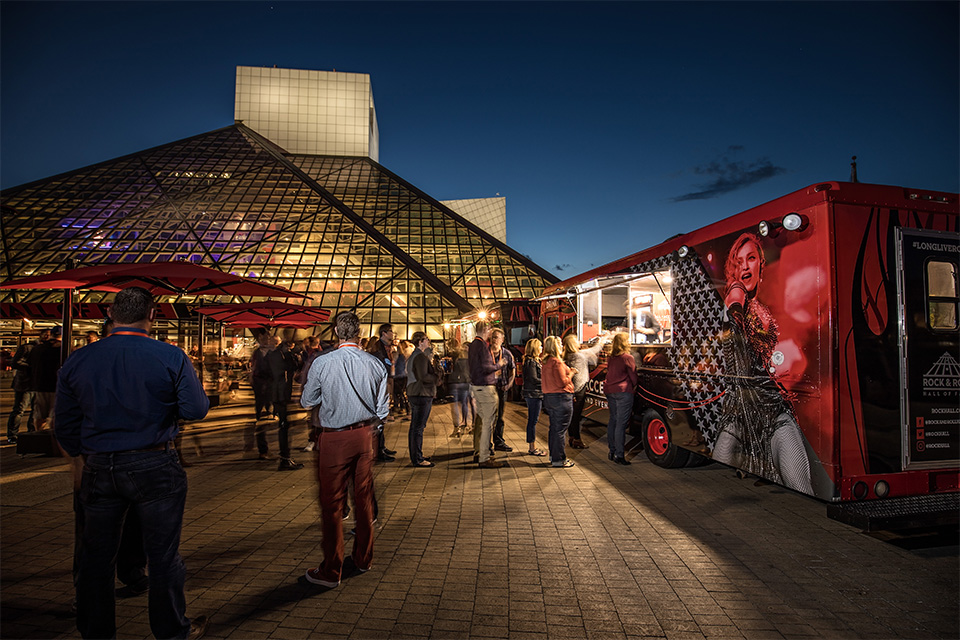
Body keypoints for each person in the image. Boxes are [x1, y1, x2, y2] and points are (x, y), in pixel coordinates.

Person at [54, 286, 209, 639]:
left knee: (96, 557)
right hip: (155, 462)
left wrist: (84, 453)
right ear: (152, 315)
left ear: (111, 314)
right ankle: (172, 630)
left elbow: (64, 424)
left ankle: (97, 632)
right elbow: (196, 409)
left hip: (99, 466)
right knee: (163, 555)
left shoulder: (79, 359)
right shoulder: (170, 356)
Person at [713, 233, 813, 493]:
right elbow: (734, 299)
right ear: (733, 269)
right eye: (739, 262)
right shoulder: (736, 293)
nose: (745, 266)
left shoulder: (763, 310)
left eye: (751, 259)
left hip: (773, 411)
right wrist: (736, 311)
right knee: (717, 474)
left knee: (800, 484)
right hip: (738, 413)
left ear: (760, 264)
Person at [300, 311, 388, 588]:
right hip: (364, 435)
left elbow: (307, 401)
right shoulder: (375, 364)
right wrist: (373, 429)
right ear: (359, 333)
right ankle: (363, 558)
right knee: (363, 498)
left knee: (332, 504)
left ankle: (331, 570)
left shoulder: (323, 362)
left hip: (334, 438)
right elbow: (383, 409)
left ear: (337, 332)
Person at [261, 336, 303, 471]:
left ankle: (285, 457)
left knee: (284, 425)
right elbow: (292, 367)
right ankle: (285, 458)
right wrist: (290, 355)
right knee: (284, 426)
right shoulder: (279, 355)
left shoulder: (270, 355)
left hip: (276, 392)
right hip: (280, 393)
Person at [468, 321, 504, 468]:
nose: (490, 333)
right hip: (485, 387)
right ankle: (484, 457)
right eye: (489, 329)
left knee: (483, 421)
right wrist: (498, 365)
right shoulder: (482, 345)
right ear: (485, 330)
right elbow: (485, 367)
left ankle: (481, 453)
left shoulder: (473, 344)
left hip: (477, 386)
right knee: (488, 424)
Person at [562, 334, 605, 450]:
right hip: (579, 388)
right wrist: (602, 340)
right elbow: (595, 350)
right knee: (576, 416)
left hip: (571, 389)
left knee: (572, 415)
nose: (579, 342)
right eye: (576, 341)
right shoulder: (579, 356)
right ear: (572, 344)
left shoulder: (568, 355)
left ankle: (572, 437)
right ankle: (577, 439)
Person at [541, 336, 576, 468]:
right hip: (561, 398)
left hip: (549, 398)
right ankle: (559, 459)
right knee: (560, 430)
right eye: (560, 344)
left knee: (554, 429)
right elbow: (562, 382)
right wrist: (571, 373)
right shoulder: (557, 362)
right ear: (555, 346)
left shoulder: (546, 362)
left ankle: (553, 455)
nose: (562, 346)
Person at [5, 330, 45, 444]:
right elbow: (15, 363)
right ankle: (13, 434)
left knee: (33, 410)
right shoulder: (27, 348)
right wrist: (32, 367)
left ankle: (30, 432)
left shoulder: (42, 349)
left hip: (35, 384)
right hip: (25, 384)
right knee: (20, 409)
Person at [604, 332, 637, 465]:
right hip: (623, 391)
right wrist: (634, 386)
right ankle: (619, 455)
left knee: (613, 419)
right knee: (621, 424)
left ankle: (611, 451)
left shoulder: (611, 357)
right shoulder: (627, 357)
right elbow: (633, 376)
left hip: (610, 390)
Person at [406, 332, 438, 467]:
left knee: (416, 426)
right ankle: (417, 458)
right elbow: (423, 376)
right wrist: (437, 377)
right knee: (418, 427)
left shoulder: (415, 355)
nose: (428, 341)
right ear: (420, 342)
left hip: (416, 392)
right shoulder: (420, 356)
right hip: (421, 393)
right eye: (426, 339)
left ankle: (417, 455)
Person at [368, 324, 398, 461]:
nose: (393, 333)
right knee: (379, 415)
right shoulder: (378, 348)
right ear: (384, 333)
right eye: (390, 331)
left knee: (382, 416)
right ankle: (378, 450)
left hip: (386, 382)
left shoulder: (386, 347)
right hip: (380, 384)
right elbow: (380, 366)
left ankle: (381, 446)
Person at [29, 326, 62, 430]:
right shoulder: (64, 349)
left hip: (40, 385)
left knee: (39, 415)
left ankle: (38, 433)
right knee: (55, 415)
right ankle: (52, 436)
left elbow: (30, 364)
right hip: (57, 386)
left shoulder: (38, 349)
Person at [489, 328, 516, 452]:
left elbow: (512, 369)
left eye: (496, 337)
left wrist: (509, 384)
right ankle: (486, 444)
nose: (494, 340)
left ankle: (498, 441)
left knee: (500, 416)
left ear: (502, 339)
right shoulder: (486, 353)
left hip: (501, 388)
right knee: (488, 417)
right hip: (489, 388)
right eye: (492, 337)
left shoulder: (506, 354)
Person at [521, 338, 546, 456]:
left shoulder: (532, 361)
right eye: (540, 346)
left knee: (533, 420)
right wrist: (546, 381)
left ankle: (532, 445)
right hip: (533, 393)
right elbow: (533, 379)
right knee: (532, 420)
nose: (541, 348)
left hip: (534, 393)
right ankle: (532, 447)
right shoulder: (531, 362)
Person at [446, 344, 472, 437]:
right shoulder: (469, 358)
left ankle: (457, 428)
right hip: (465, 382)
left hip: (455, 382)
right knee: (464, 404)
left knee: (455, 405)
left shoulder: (454, 358)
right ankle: (465, 423)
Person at [393, 340, 412, 419]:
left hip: (397, 375)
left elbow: (393, 364)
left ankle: (405, 409)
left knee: (399, 393)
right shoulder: (403, 356)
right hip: (404, 375)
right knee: (402, 393)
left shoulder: (397, 355)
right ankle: (406, 409)